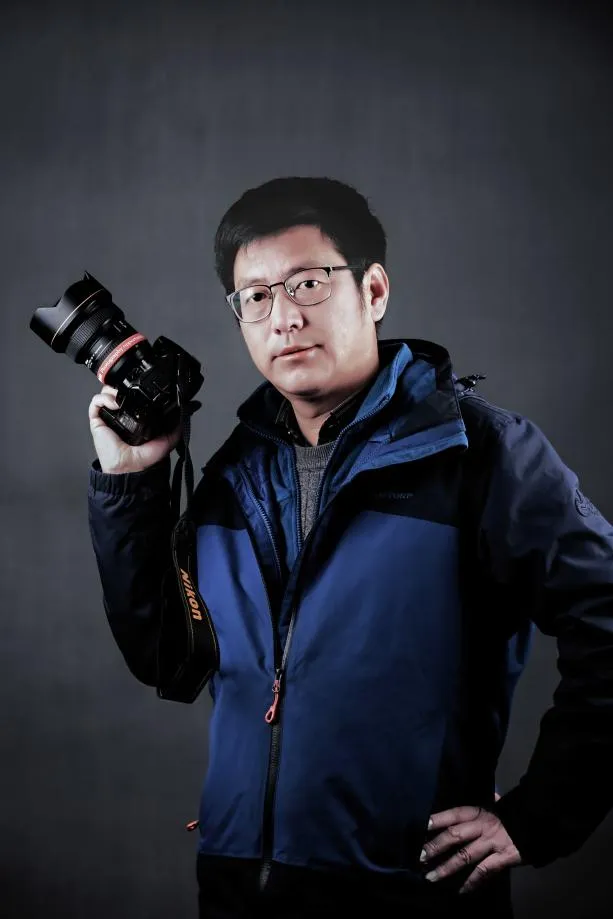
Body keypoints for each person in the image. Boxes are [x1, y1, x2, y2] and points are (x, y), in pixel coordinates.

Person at [87, 177, 613, 918]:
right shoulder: (234, 475)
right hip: (239, 888)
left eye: (307, 283)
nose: (283, 317)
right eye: (255, 297)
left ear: (373, 290)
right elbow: (167, 658)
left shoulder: (479, 453)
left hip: (408, 890)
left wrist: (540, 815)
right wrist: (133, 481)